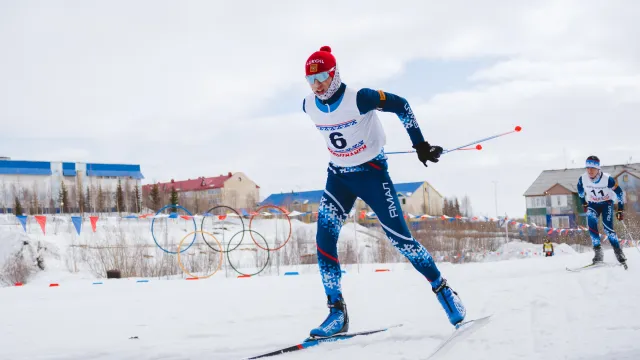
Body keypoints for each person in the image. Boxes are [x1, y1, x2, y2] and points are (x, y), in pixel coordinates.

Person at [301, 45, 466, 339]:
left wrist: (420, 144)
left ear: (335, 74)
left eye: (323, 76)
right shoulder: (309, 105)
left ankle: (443, 289)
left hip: (372, 175)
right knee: (324, 240)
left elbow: (401, 104)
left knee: (402, 241)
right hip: (338, 177)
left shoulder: (359, 97)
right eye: (311, 80)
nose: (317, 85)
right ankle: (336, 311)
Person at [577, 155, 626, 265]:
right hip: (593, 204)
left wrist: (620, 210)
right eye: (588, 168)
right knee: (591, 225)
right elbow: (580, 192)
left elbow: (620, 193)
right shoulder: (582, 179)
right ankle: (598, 253)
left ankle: (618, 252)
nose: (590, 171)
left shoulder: (607, 179)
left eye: (593, 168)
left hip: (606, 203)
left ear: (598, 169)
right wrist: (583, 203)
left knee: (608, 228)